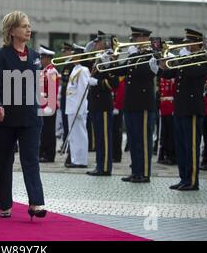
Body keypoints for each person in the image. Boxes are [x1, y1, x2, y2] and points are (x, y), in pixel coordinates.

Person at [0, 10, 46, 220]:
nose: (28, 29)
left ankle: (36, 203)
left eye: (29, 25)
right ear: (12, 31)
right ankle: (4, 204)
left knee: (31, 160)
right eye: (24, 26)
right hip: (5, 117)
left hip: (31, 117)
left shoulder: (35, 56)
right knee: (4, 161)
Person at [158, 28, 207, 191]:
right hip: (180, 108)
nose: (186, 46)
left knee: (191, 146)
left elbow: (191, 72)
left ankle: (193, 181)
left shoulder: (203, 58)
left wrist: (181, 59)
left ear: (197, 44)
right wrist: (158, 65)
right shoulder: (187, 59)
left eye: (189, 43)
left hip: (192, 109)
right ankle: (184, 178)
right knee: (181, 146)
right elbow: (169, 74)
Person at [113, 26, 157, 183]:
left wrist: (132, 56)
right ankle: (136, 171)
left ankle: (144, 173)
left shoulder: (151, 54)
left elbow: (144, 72)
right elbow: (121, 71)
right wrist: (112, 61)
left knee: (144, 140)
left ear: (145, 38)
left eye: (136, 38)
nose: (134, 41)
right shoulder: (135, 55)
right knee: (133, 139)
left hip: (144, 104)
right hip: (131, 104)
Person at [86, 32, 119, 176]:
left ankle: (105, 167)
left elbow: (114, 83)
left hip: (104, 105)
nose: (95, 45)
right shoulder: (98, 58)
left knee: (105, 138)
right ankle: (100, 165)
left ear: (103, 43)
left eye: (97, 43)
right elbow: (84, 56)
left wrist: (97, 82)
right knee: (99, 137)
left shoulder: (109, 59)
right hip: (95, 104)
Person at [65, 46, 90, 168]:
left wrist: (80, 109)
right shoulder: (75, 69)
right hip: (71, 107)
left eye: (75, 55)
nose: (72, 57)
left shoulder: (84, 70)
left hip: (78, 107)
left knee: (80, 133)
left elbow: (83, 91)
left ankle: (81, 160)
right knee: (74, 135)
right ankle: (75, 159)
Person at [38, 45, 60, 163]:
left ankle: (49, 154)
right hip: (42, 105)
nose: (41, 60)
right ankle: (42, 152)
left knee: (49, 132)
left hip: (49, 106)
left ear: (48, 58)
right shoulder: (44, 71)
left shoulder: (51, 71)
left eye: (42, 58)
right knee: (43, 131)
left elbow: (53, 91)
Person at [157, 76, 176, 165]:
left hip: (170, 108)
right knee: (163, 133)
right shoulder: (161, 77)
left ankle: (171, 155)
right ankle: (163, 154)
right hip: (163, 108)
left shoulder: (173, 77)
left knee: (171, 134)